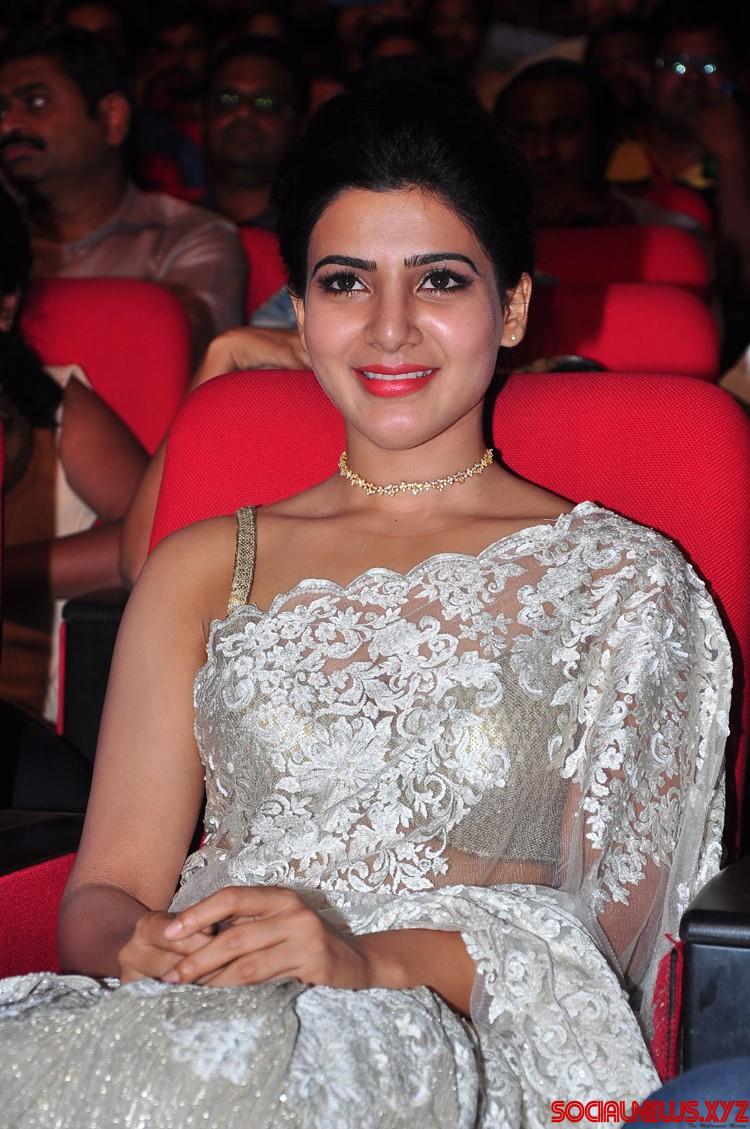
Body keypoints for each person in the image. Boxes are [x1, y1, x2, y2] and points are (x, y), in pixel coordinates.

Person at [0, 78, 731, 1126]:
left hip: (451, 1036)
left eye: (439, 280)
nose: (390, 329)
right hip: (190, 1013)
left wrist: (364, 958)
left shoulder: (624, 579)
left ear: (513, 307)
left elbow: (615, 943)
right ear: (300, 314)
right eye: (346, 282)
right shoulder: (206, 565)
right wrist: (142, 944)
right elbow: (106, 888)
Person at [0, 184, 146, 747]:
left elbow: (155, 543)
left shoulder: (54, 407)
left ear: (6, 306)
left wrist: (13, 570)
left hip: (20, 724)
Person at [0, 25, 246, 356]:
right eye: (1, 109)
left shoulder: (187, 237)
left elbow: (186, 359)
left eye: (36, 102)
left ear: (112, 118)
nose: (8, 125)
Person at [202, 34, 309, 229]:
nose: (243, 113)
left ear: (299, 123)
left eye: (265, 102)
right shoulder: (165, 227)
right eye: (228, 99)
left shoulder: (318, 233)